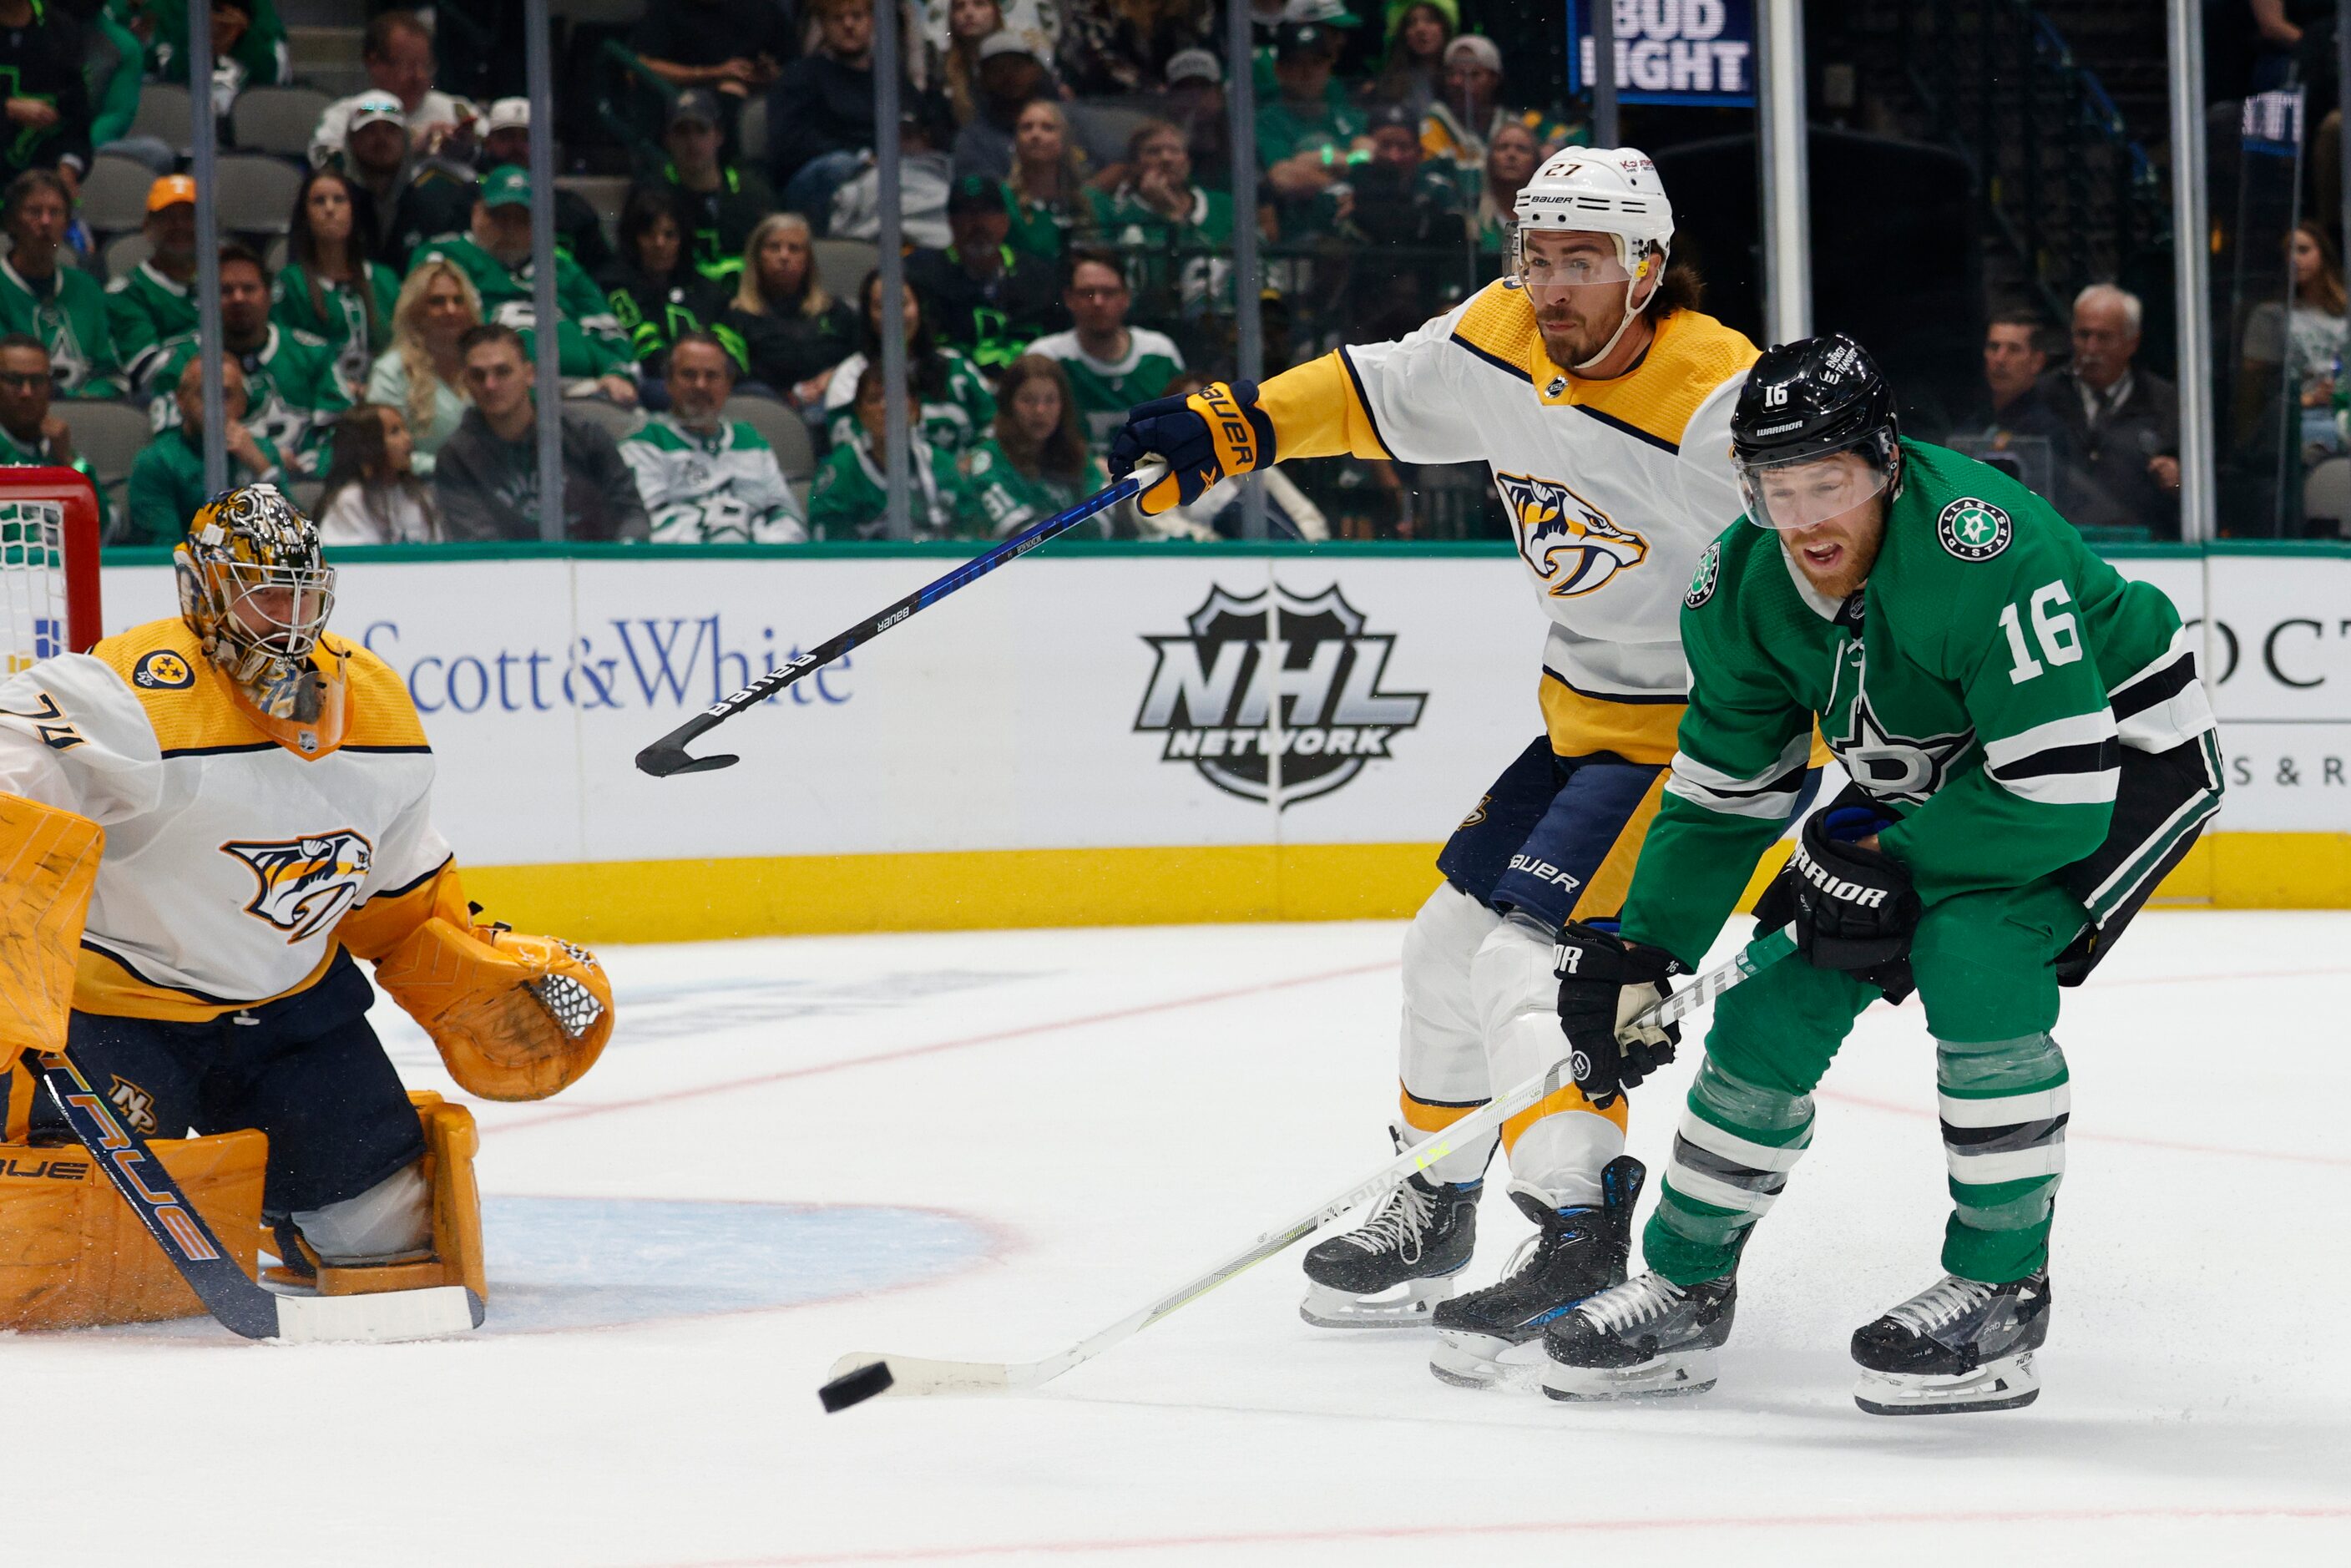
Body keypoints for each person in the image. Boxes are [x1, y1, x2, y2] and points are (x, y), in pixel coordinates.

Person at [1110, 149, 1787, 1383]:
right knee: (1441, 945)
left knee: (1533, 970)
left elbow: (1836, 554)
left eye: (1582, 261)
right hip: (1587, 723)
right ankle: (1437, 1206)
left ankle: (1582, 1233)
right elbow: (1375, 391)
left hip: (1704, 741)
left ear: (1645, 269)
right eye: (1537, 256)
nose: (1552, 285)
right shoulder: (1499, 336)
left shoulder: (1716, 398)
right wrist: (1240, 425)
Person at [1544, 333, 2222, 1414]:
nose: (1807, 517)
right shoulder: (1740, 589)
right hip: (1945, 769)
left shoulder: (1979, 545)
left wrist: (1894, 865)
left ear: (1887, 464)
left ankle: (2003, 1289)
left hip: (2115, 755)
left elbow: (2059, 788)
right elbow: (1729, 792)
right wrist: (1645, 943)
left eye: (1833, 481)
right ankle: (1683, 1279)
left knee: (1973, 947)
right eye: (1777, 488)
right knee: (1776, 998)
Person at [0, 482, 609, 1328]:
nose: (283, 616)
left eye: (298, 591)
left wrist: (463, 973)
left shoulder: (378, 709)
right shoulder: (133, 689)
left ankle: (292, 1216)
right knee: (59, 1265)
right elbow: (11, 754)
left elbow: (391, 885)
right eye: (259, 591)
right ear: (203, 592)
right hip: (118, 1014)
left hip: (288, 1016)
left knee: (389, 1240)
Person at [409, 167, 635, 399]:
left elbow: (608, 332)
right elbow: (437, 329)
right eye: (500, 216)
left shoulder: (561, 267)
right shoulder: (444, 257)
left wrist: (617, 374)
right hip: (483, 389)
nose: (510, 228)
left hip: (582, 390)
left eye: (522, 219)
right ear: (477, 212)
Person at [434, 323, 649, 542]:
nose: (490, 385)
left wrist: (625, 550)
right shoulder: (456, 457)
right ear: (465, 382)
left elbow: (631, 514)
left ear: (529, 374)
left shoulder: (585, 435)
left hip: (594, 567)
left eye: (503, 372)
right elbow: (480, 545)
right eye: (478, 375)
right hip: (511, 571)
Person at [145, 245, 347, 476]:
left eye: (249, 289)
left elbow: (344, 435)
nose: (238, 298)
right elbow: (168, 447)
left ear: (269, 295)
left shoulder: (313, 354)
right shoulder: (178, 360)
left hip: (297, 488)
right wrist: (263, 459)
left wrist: (305, 467)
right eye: (226, 290)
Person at [621, 332, 806, 544]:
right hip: (681, 565)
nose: (700, 385)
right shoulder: (644, 442)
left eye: (711, 376)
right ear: (668, 384)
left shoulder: (751, 440)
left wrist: (759, 553)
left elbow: (786, 514)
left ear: (728, 384)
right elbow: (645, 523)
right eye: (689, 375)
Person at [2027, 283, 2181, 537]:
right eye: (2083, 335)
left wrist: (2177, 481)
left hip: (2144, 549)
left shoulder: (2166, 402)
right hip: (2058, 546)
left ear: (2132, 342)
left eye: (2104, 337)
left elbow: (2194, 488)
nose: (2091, 348)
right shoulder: (2043, 395)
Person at [1025, 249, 1185, 456]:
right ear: (1069, 299)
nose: (1098, 302)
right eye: (1087, 293)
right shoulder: (1046, 358)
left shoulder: (1160, 354)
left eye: (1108, 293)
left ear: (1126, 297)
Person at [822, 270, 997, 454]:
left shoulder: (957, 367)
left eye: (903, 304)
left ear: (919, 307)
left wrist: (973, 465)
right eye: (881, 306)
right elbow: (847, 453)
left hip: (961, 480)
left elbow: (995, 426)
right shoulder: (849, 377)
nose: (894, 316)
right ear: (868, 315)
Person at [906, 176, 1067, 372]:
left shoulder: (1040, 277)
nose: (978, 223)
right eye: (966, 213)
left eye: (987, 212)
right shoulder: (920, 276)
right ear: (951, 222)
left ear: (1005, 221)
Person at [273, 168, 403, 404]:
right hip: (316, 404)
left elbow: (404, 347)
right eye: (319, 201)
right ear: (306, 216)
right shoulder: (291, 284)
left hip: (383, 403)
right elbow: (287, 356)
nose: (330, 209)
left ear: (353, 211)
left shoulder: (385, 280)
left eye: (339, 200)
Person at [124, 359, 287, 544]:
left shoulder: (263, 453)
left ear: (243, 403)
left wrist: (264, 470)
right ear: (181, 400)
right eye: (204, 394)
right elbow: (163, 551)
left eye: (225, 395)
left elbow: (295, 541)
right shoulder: (157, 462)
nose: (215, 406)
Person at [1087, 119, 1233, 317]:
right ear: (1135, 166)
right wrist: (1166, 213)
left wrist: (1176, 215)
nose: (1166, 159)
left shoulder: (1224, 206)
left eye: (1174, 150)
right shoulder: (1118, 215)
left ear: (1187, 161)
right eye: (1153, 152)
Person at [809, 361, 969, 539]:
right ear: (860, 414)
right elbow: (829, 553)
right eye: (874, 399)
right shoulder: (840, 473)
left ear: (915, 409)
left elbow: (969, 534)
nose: (885, 406)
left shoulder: (942, 465)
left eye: (895, 397)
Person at [0, 170, 124, 398]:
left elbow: (111, 374)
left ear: (67, 224)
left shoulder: (87, 289)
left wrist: (82, 401)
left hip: (88, 418)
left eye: (55, 212)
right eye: (34, 212)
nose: (46, 221)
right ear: (11, 221)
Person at [636, 89, 777, 286]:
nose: (692, 142)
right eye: (682, 132)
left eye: (701, 130)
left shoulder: (752, 193)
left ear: (719, 136)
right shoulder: (653, 195)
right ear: (668, 140)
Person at [717, 212, 858, 402]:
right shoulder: (735, 317)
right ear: (757, 256)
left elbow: (863, 358)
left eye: (794, 249)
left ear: (808, 260)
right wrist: (793, 395)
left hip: (833, 401)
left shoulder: (836, 312)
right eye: (774, 247)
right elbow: (734, 376)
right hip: (770, 408)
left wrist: (835, 376)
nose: (784, 256)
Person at [332, 91, 478, 275]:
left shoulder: (435, 205)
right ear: (351, 142)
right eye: (369, 130)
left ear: (405, 140)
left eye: (390, 130)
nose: (381, 139)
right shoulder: (334, 203)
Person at [2241, 219, 2348, 462]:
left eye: (2303, 250)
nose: (2294, 259)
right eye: (2287, 252)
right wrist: (2308, 399)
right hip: (2298, 427)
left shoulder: (2344, 313)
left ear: (2324, 255)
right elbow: (2253, 393)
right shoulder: (2272, 316)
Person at [309, 9, 473, 169]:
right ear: (374, 63)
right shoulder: (343, 116)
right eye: (408, 66)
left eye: (426, 65)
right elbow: (323, 163)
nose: (420, 77)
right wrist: (406, 151)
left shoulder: (455, 110)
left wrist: (468, 149)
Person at [602, 187, 733, 386]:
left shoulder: (706, 288)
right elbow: (644, 347)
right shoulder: (615, 285)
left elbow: (730, 345)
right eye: (649, 234)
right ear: (633, 239)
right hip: (651, 383)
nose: (659, 243)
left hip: (710, 381)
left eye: (669, 235)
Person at [963, 353, 1105, 535]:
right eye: (1028, 400)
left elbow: (1101, 523)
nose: (1040, 410)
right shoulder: (986, 461)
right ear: (1008, 404)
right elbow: (1019, 536)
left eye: (1050, 400)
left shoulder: (1079, 457)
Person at [767, 0, 879, 230]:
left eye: (857, 16)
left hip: (883, 169)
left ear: (872, 21)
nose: (848, 25)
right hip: (821, 176)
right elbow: (789, 143)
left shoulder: (889, 78)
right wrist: (860, 156)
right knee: (841, 165)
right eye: (838, 18)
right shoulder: (801, 76)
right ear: (823, 25)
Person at [366, 257, 480, 478]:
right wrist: (447, 469)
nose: (450, 310)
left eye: (458, 300)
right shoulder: (391, 371)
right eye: (437, 302)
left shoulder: (484, 367)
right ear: (415, 311)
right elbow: (382, 449)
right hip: (418, 489)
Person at [472, 97, 609, 278]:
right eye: (507, 137)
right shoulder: (468, 198)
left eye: (527, 138)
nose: (517, 147)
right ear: (488, 144)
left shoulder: (572, 209)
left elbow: (602, 270)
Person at [1257, 19, 1365, 236]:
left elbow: (1364, 157)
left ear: (1328, 66)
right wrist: (1340, 176)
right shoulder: (1266, 122)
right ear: (1279, 70)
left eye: (1316, 62)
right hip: (1294, 242)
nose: (1307, 73)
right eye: (1297, 64)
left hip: (1346, 241)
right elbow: (1282, 178)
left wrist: (1315, 161)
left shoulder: (1350, 118)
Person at [1419, 33, 1571, 187]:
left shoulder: (1514, 122)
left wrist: (1553, 147)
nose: (1457, 82)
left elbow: (1576, 134)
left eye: (1473, 74)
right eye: (1452, 74)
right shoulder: (1436, 121)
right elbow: (1434, 175)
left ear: (1494, 79)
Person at [0, 332, 111, 534]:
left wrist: (68, 462)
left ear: (50, 387)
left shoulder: (58, 450)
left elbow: (104, 528)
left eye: (37, 381)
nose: (27, 392)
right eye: (15, 380)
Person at [105, 175, 202, 391]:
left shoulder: (225, 285)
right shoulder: (127, 293)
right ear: (148, 226)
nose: (180, 226)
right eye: (168, 217)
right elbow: (149, 374)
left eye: (189, 217)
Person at [0, 0, 95, 190]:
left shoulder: (61, 31)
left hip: (41, 184)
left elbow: (77, 122)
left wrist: (68, 167)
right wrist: (8, 108)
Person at [313, 402, 436, 544]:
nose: (407, 438)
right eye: (394, 432)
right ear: (368, 446)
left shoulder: (419, 496)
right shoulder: (350, 501)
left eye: (405, 429)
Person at [627, 0, 793, 104]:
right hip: (686, 98)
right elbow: (642, 65)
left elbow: (792, 65)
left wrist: (771, 75)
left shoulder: (762, 8)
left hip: (761, 97)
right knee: (730, 91)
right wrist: (713, 73)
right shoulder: (667, 7)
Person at [155, 0, 290, 124]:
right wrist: (197, 40)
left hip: (250, 129)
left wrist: (244, 36)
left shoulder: (261, 12)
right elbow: (162, 76)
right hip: (183, 128)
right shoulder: (171, 8)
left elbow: (275, 77)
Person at [952, 32, 1056, 185]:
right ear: (983, 78)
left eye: (1017, 66)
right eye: (998, 69)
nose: (1009, 76)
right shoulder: (973, 141)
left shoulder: (1068, 121)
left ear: (1036, 70)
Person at [1054, 0, 1213, 98]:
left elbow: (1206, 50)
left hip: (1183, 107)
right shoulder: (1096, 6)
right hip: (1110, 103)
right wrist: (1154, 89)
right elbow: (1099, 57)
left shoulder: (1194, 8)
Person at [1002, 99, 1092, 264]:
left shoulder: (1091, 200)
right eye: (1027, 127)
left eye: (1048, 128)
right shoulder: (1003, 199)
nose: (1035, 135)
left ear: (1065, 140)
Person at [1368, 1, 1454, 121]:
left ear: (1445, 28)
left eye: (1430, 21)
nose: (1420, 29)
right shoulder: (1389, 83)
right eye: (1412, 23)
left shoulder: (1460, 79)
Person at [1470, 119, 1540, 256]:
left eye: (1522, 149)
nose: (1511, 155)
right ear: (1490, 159)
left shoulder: (1549, 218)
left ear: (1536, 162)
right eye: (1503, 148)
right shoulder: (1471, 216)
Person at [929, 0, 1005, 125]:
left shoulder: (1018, 65)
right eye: (960, 7)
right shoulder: (940, 72)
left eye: (979, 4)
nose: (968, 13)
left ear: (996, 13)